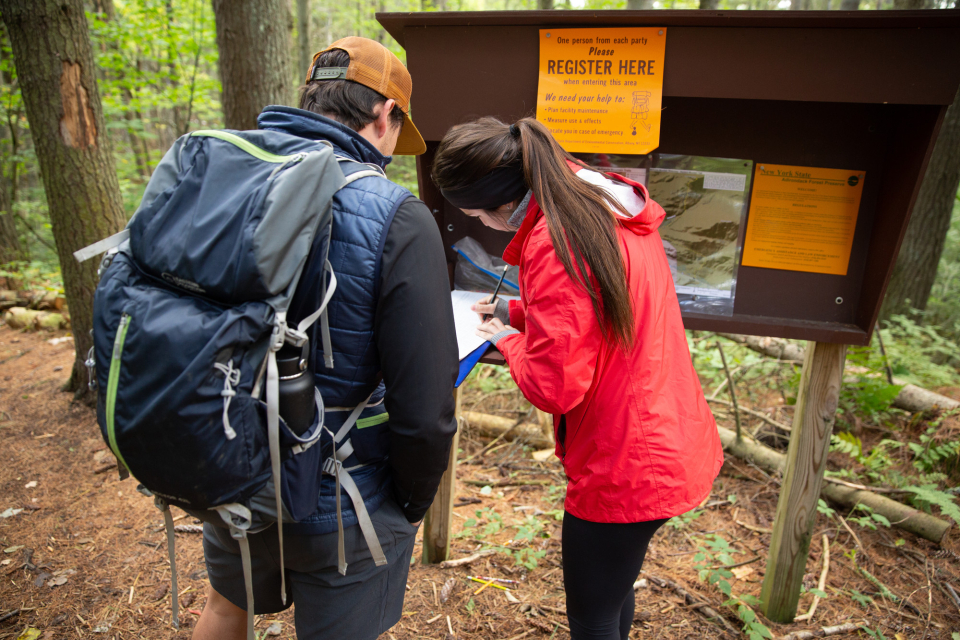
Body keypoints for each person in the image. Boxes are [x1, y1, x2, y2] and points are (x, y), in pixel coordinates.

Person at [193, 37, 459, 640]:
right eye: (398, 130)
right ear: (386, 114)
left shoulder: (234, 178)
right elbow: (425, 409)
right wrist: (409, 504)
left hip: (230, 461)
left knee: (225, 610)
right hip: (342, 494)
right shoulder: (397, 215)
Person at [432, 117, 723, 640]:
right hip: (663, 426)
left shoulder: (556, 239)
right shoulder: (594, 204)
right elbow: (600, 306)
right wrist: (520, 312)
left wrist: (503, 336)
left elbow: (553, 386)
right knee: (613, 593)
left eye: (478, 216)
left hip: (625, 460)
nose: (485, 226)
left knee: (592, 617)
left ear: (501, 205)